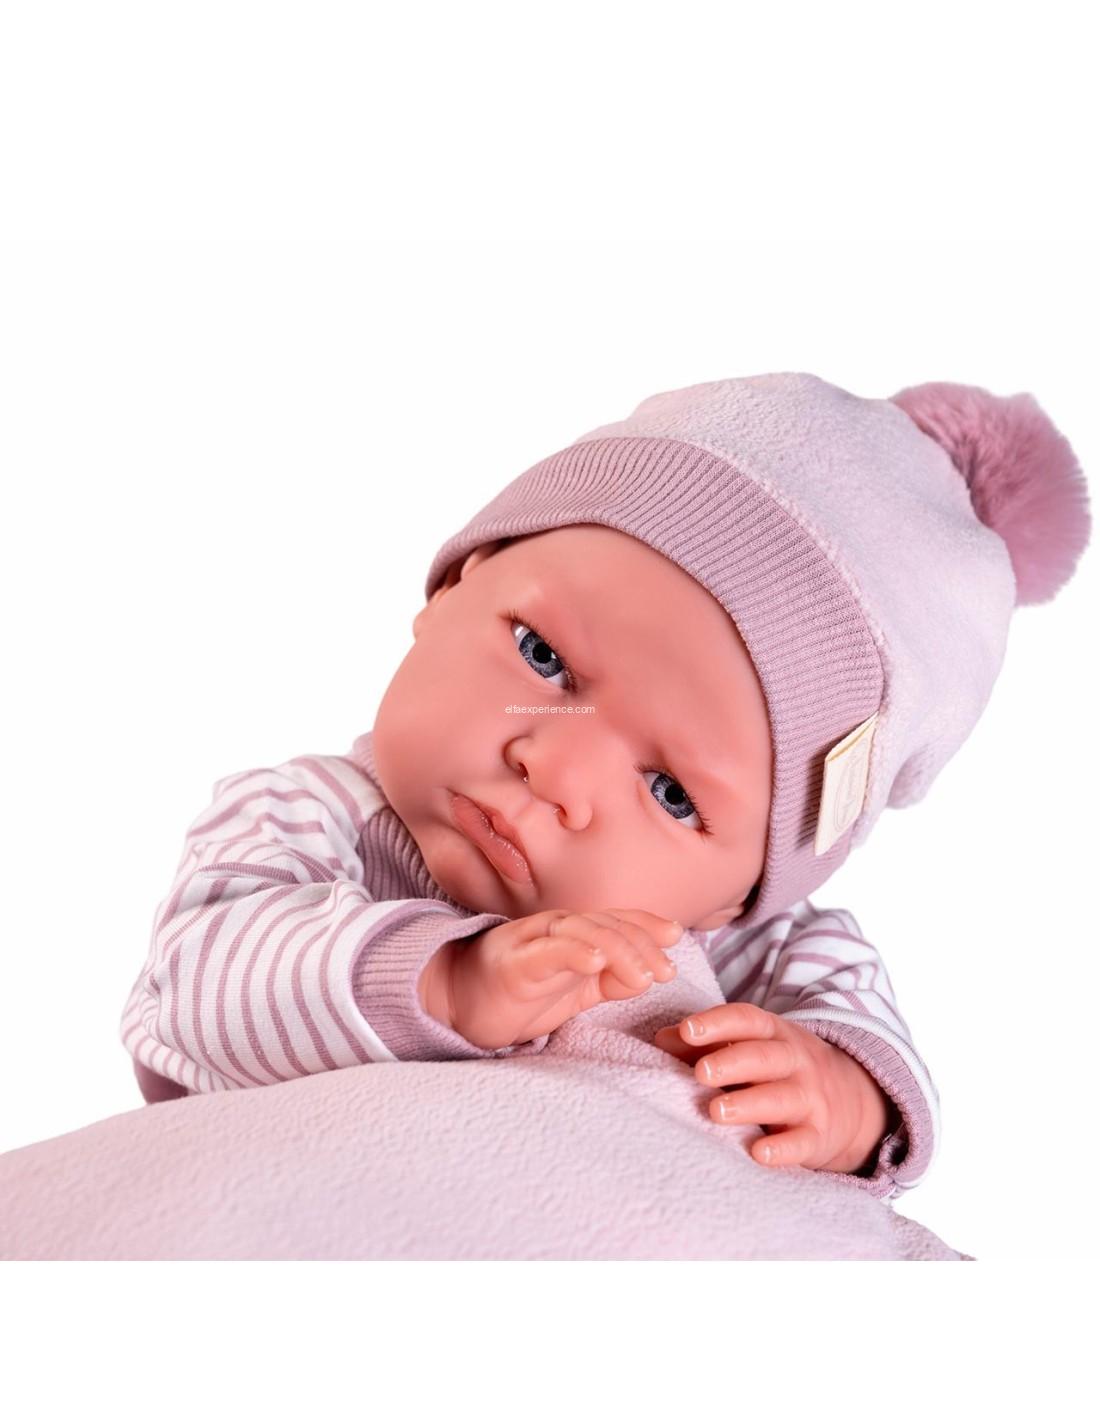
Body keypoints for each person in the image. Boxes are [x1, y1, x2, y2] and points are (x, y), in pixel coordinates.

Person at [119, 371, 1090, 1203]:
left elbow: (866, 1040)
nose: (554, 768)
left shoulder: (760, 949)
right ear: (453, 587)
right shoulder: (301, 817)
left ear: (738, 894)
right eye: (543, 657)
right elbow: (192, 993)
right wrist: (449, 983)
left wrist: (840, 1099)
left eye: (671, 794)